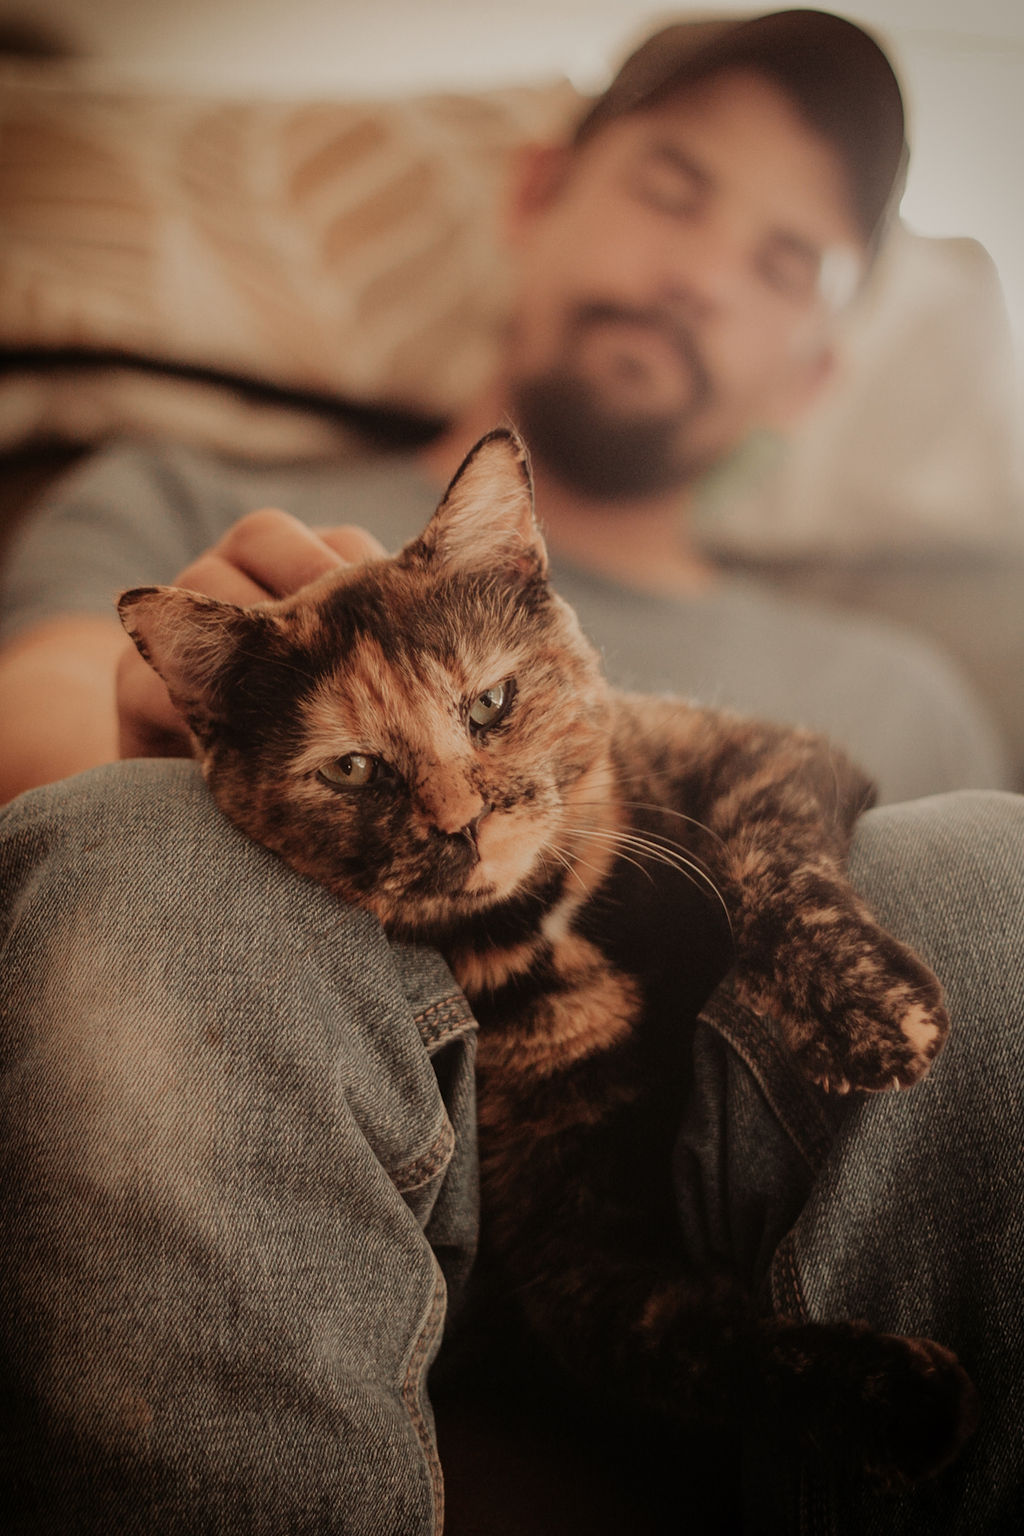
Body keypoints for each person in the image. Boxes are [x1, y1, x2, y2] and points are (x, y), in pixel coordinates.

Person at [0, 9, 1021, 1534]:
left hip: (752, 1186)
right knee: (141, 862)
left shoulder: (907, 682)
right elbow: (30, 769)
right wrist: (174, 766)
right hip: (341, 1111)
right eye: (675, 187)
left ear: (814, 371)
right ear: (537, 192)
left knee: (991, 882)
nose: (697, 272)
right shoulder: (182, 490)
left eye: (782, 262)